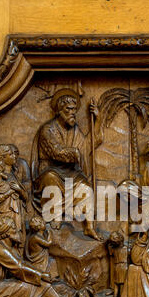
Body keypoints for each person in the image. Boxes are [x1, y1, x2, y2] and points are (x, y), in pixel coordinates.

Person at [31, 88, 102, 240]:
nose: (73, 113)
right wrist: (76, 153)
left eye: (75, 110)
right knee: (51, 178)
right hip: (51, 170)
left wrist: (97, 120)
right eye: (69, 109)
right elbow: (56, 151)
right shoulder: (47, 129)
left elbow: (86, 146)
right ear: (59, 110)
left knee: (86, 189)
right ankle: (55, 216)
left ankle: (89, 227)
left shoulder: (74, 129)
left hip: (70, 173)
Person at [0, 144, 28, 245]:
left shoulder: (13, 175)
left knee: (16, 243)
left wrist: (19, 190)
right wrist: (10, 191)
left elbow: (26, 197)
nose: (14, 156)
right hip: (4, 214)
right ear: (3, 157)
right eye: (10, 154)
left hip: (16, 213)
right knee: (6, 241)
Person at [107, 231, 129, 297]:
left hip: (117, 266)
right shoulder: (127, 249)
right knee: (122, 282)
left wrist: (109, 246)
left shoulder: (114, 250)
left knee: (116, 282)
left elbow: (111, 253)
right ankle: (122, 295)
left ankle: (115, 294)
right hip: (124, 267)